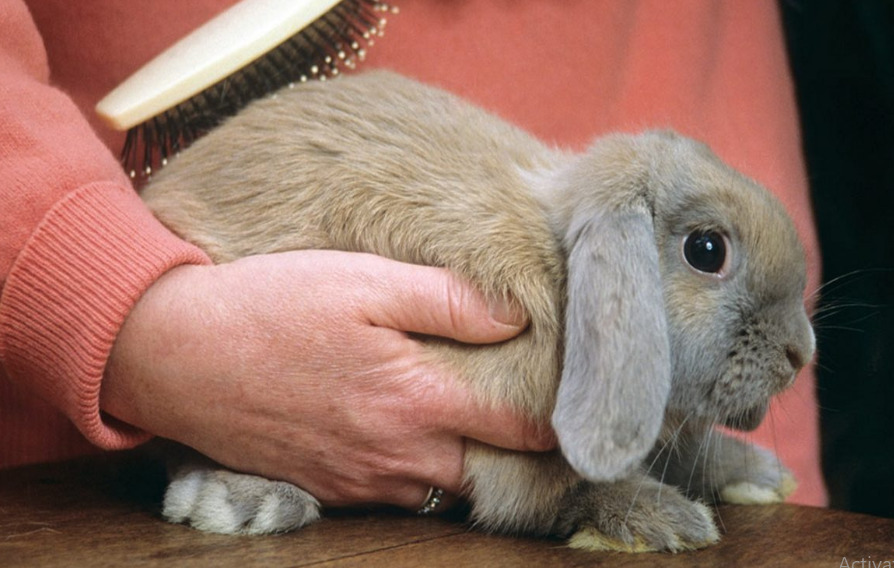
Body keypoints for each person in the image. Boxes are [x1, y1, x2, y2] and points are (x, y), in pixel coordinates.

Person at [0, 0, 826, 511]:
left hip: (648, 400)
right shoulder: (556, 286)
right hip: (106, 439)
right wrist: (129, 316)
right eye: (707, 252)